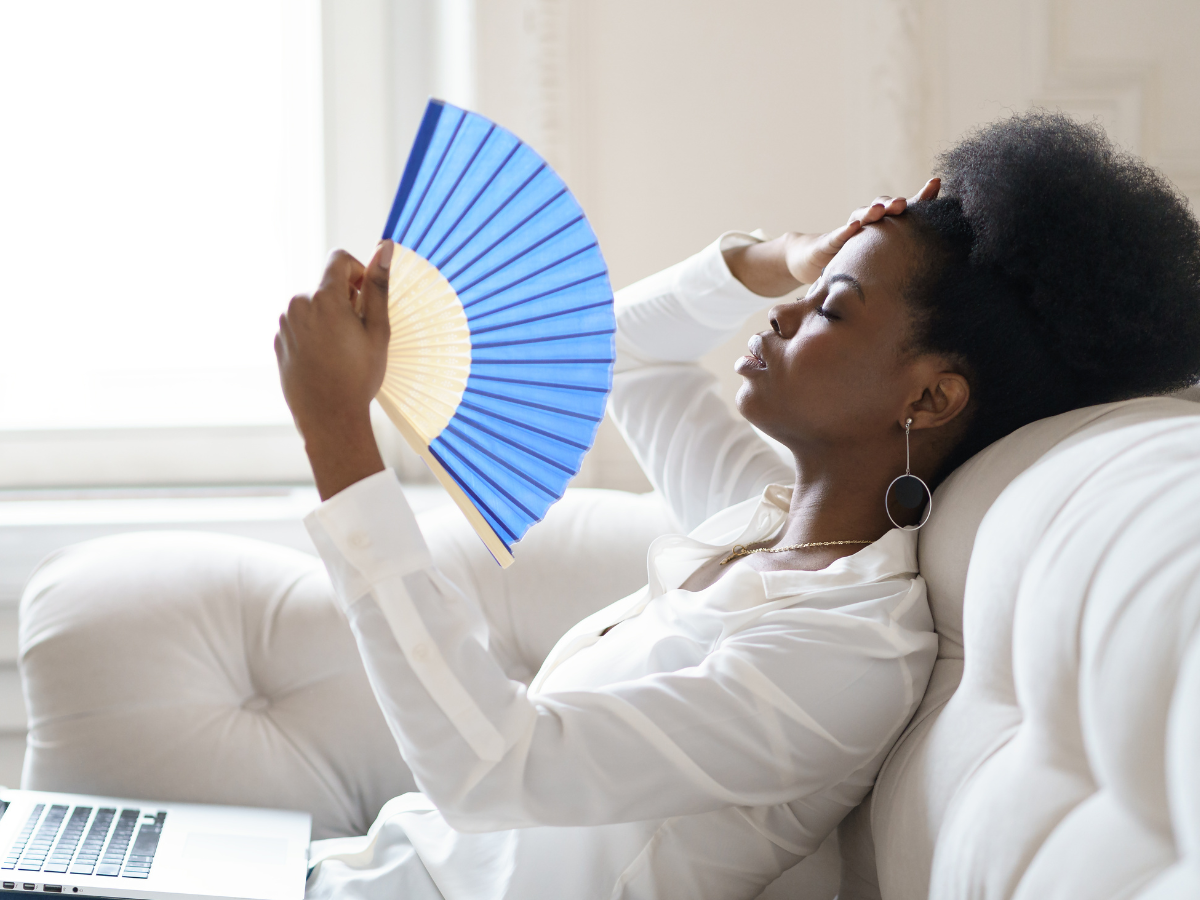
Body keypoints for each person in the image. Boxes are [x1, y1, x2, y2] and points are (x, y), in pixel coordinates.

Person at [274, 111, 1200, 899]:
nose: (783, 314)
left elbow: (492, 769)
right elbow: (628, 353)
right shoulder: (766, 522)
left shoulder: (843, 655)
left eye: (830, 309)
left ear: (926, 400)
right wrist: (790, 256)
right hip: (356, 871)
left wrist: (338, 437)